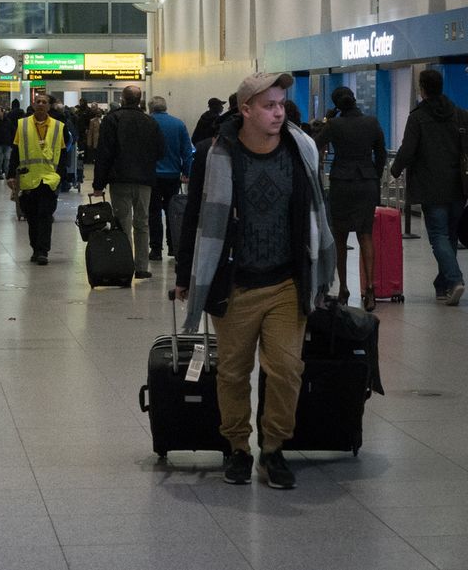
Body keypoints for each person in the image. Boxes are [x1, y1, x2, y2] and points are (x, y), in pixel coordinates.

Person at [174, 71, 335, 490]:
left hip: (286, 282)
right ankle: (238, 449)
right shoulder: (216, 153)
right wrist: (185, 274)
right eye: (269, 105)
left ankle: (275, 448)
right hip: (236, 283)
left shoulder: (302, 151)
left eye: (281, 104)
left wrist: (321, 270)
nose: (279, 112)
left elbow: (318, 210)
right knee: (232, 372)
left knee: (285, 369)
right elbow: (195, 216)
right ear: (245, 109)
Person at [391, 69, 468, 306]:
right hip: (458, 186)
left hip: (431, 187)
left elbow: (407, 149)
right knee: (450, 236)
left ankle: (454, 280)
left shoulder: (418, 117)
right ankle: (442, 285)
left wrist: (395, 170)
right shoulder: (460, 114)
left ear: (422, 88)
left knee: (438, 236)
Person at [315, 86, 386, 310]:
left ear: (337, 105)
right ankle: (370, 290)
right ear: (355, 100)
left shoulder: (334, 125)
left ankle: (344, 288)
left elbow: (315, 142)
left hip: (342, 183)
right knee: (366, 235)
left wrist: (328, 118)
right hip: (366, 182)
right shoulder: (372, 122)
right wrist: (373, 173)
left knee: (340, 238)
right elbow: (381, 152)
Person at [91, 86, 165, 279]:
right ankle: (142, 267)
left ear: (122, 99)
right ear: (139, 100)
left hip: (120, 179)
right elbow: (160, 151)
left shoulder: (112, 119)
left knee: (122, 222)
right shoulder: (150, 121)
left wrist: (98, 183)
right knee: (143, 222)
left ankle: (125, 265)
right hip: (144, 180)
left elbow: (104, 153)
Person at [6, 93, 69, 265]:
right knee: (31, 216)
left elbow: (63, 154)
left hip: (49, 179)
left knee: (45, 215)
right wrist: (11, 175)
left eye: (44, 102)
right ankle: (35, 248)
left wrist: (60, 175)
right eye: (38, 102)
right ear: (33, 105)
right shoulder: (23, 124)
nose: (41, 104)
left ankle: (43, 251)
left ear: (49, 106)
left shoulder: (59, 126)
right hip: (29, 178)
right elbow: (16, 152)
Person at [147, 96, 193, 261]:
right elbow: (187, 151)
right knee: (172, 211)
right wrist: (186, 172)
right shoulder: (178, 124)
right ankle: (173, 247)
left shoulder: (147, 123)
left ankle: (156, 249)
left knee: (153, 213)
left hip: (151, 176)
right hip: (173, 176)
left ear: (150, 108)